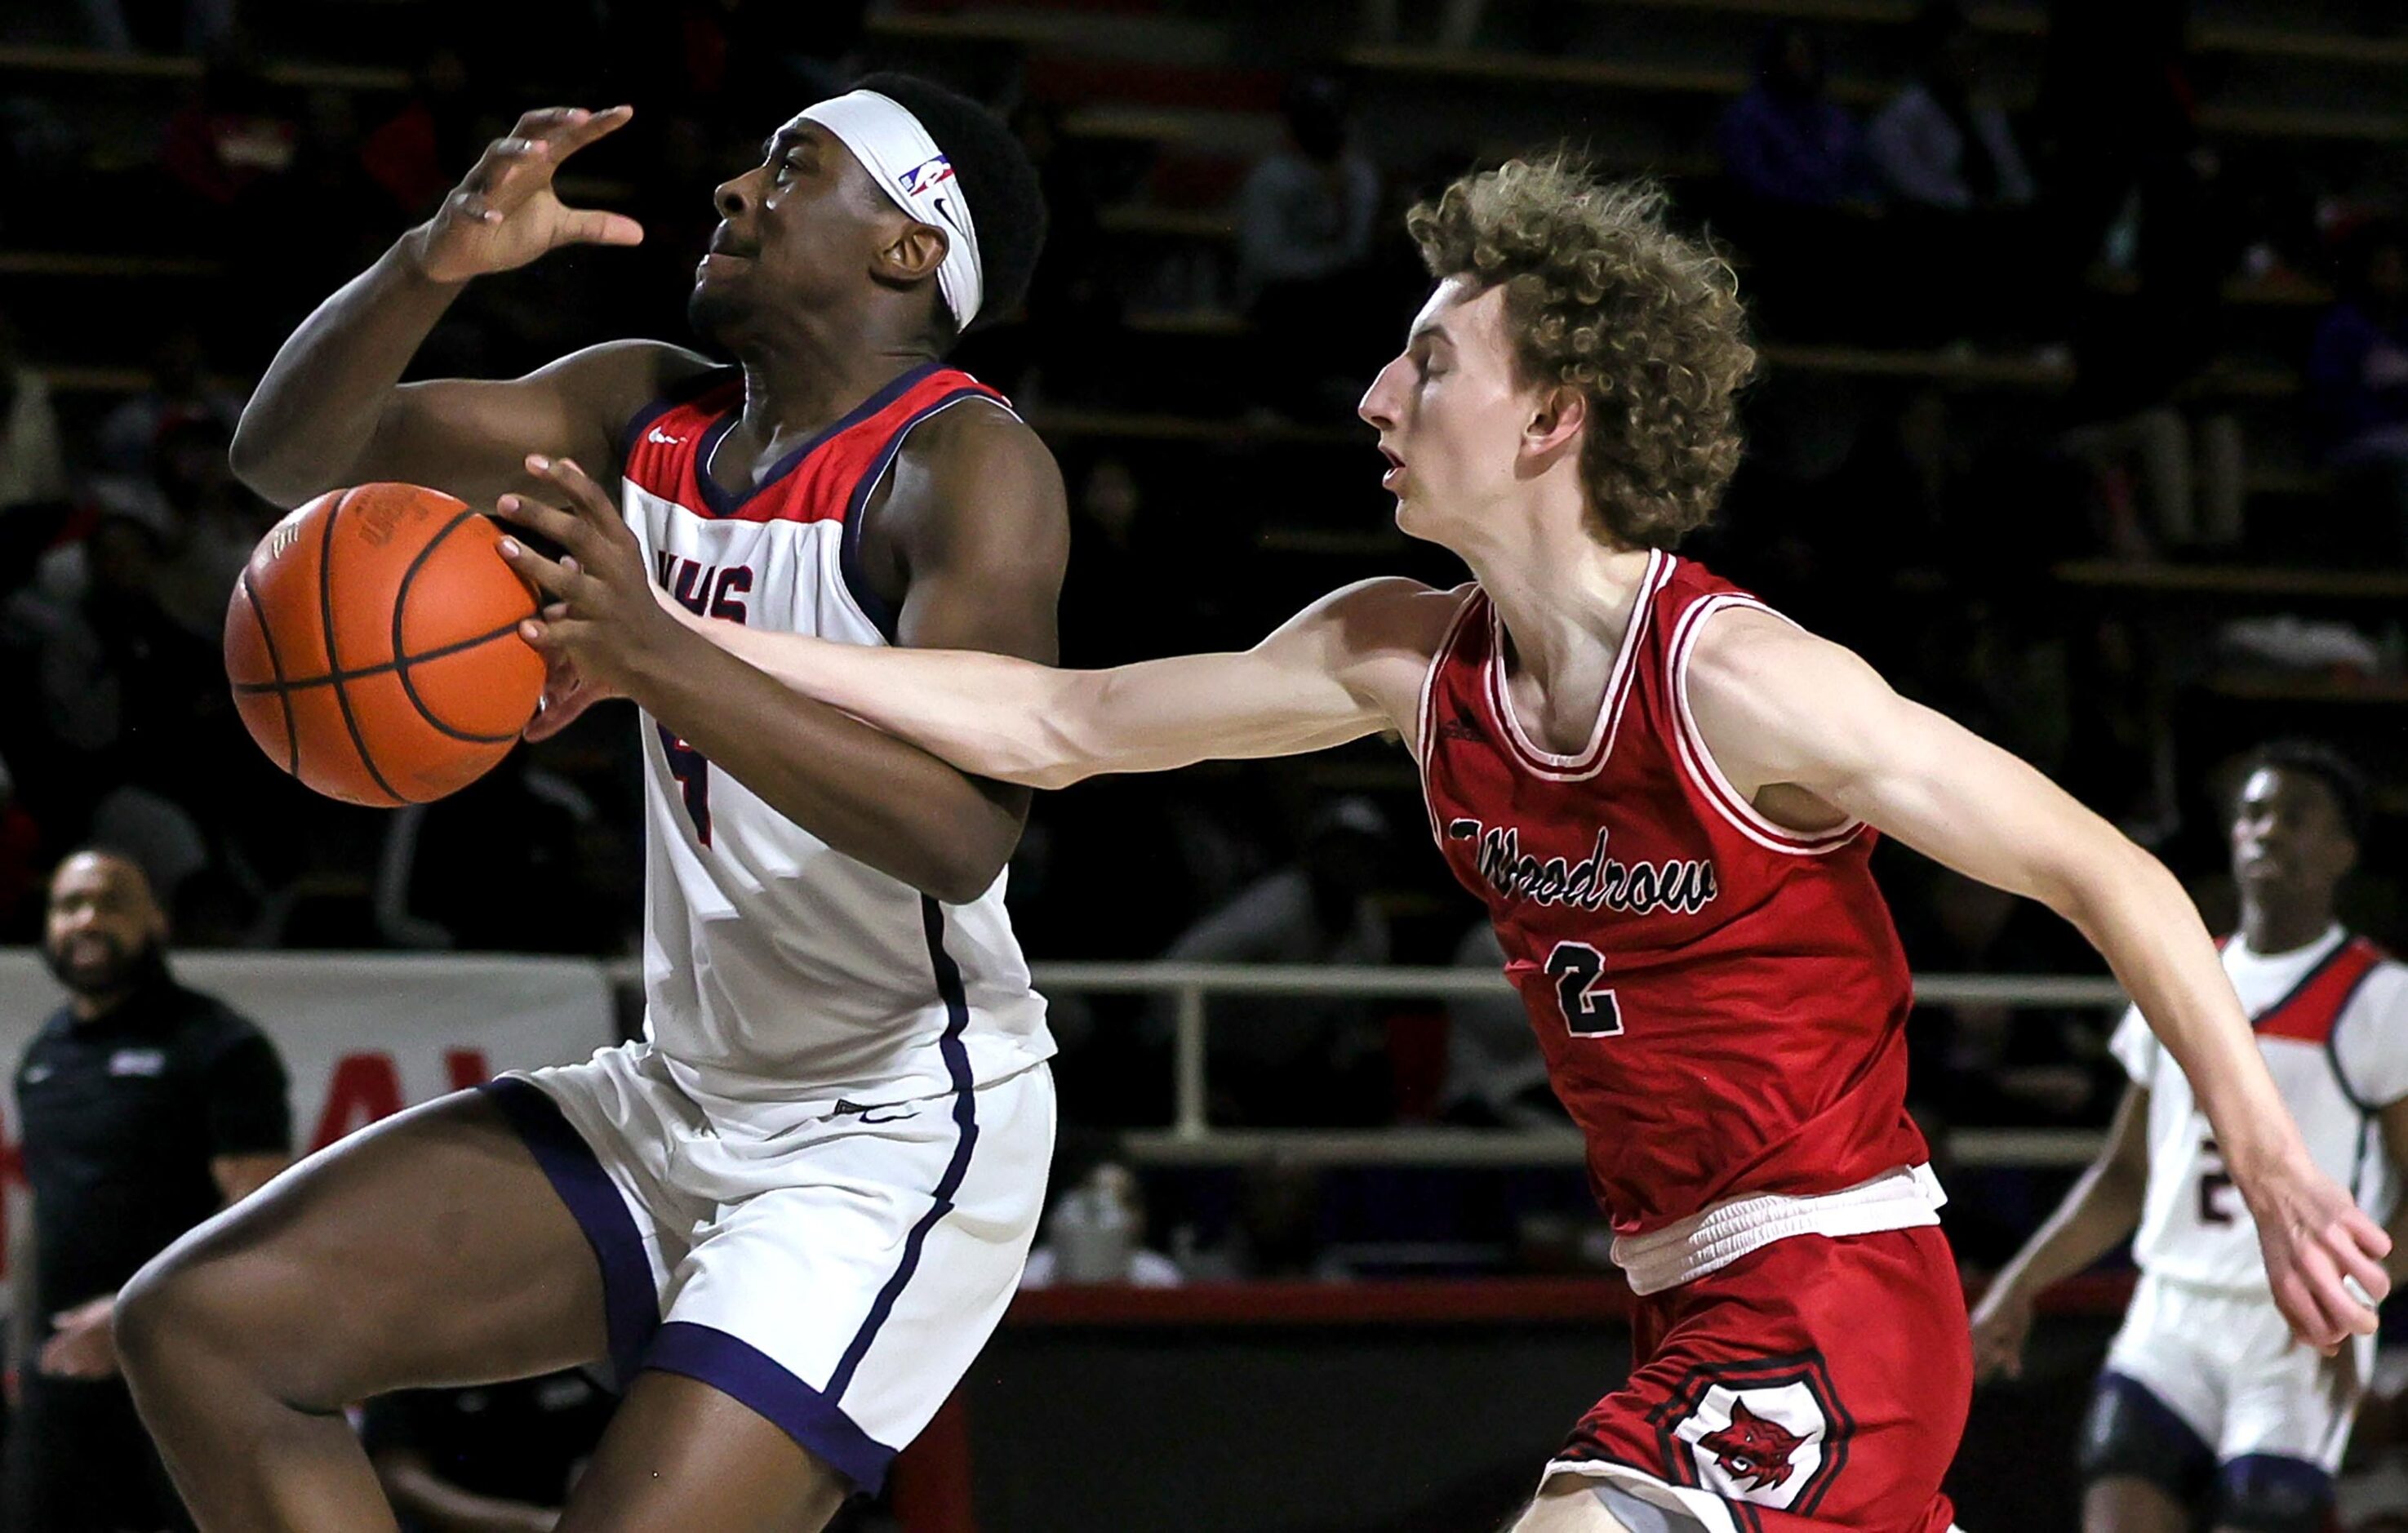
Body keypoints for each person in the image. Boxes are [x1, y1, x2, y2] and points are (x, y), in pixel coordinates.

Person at [507, 153, 2392, 1533]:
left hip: (1832, 1283)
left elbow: (2106, 872)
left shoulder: (1744, 683)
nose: (1374, 398)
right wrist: (672, 647)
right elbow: (1060, 724)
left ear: (1553, 414)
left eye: (1426, 363)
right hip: (1687, 1284)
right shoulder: (1397, 657)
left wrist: (2257, 1146)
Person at [115, 77, 1064, 1533]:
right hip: (682, 1092)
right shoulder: (641, 407)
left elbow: (963, 829)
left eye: (793, 167)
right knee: (203, 1327)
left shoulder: (965, 468)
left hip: (890, 1129)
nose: (738, 192)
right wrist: (429, 257)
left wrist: (656, 659)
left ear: (908, 248)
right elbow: (288, 462)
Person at [1970, 741, 2408, 1533]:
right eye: (2252, 813)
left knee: (2264, 1512)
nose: (2267, 830)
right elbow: (2122, 1175)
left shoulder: (2381, 997)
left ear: (2344, 850)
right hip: (2169, 1310)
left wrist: (2352, 1302)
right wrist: (2019, 1283)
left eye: (2295, 816)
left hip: (2291, 1324)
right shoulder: (2175, 970)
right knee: (2116, 1492)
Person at [9, 850, 291, 1533]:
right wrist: (19, 1357)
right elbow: (39, 1216)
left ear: (156, 919)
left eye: (110, 903)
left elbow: (260, 1217)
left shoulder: (220, 1045)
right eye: (67, 905)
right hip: (63, 1380)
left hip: (184, 1376)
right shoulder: (45, 1055)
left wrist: (134, 1313)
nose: (85, 920)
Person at [362, 1368, 615, 1533]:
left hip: (570, 1515)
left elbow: (613, 1448)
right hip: (452, 1521)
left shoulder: (580, 1358)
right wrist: (526, 1523)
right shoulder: (420, 1360)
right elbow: (397, 1474)